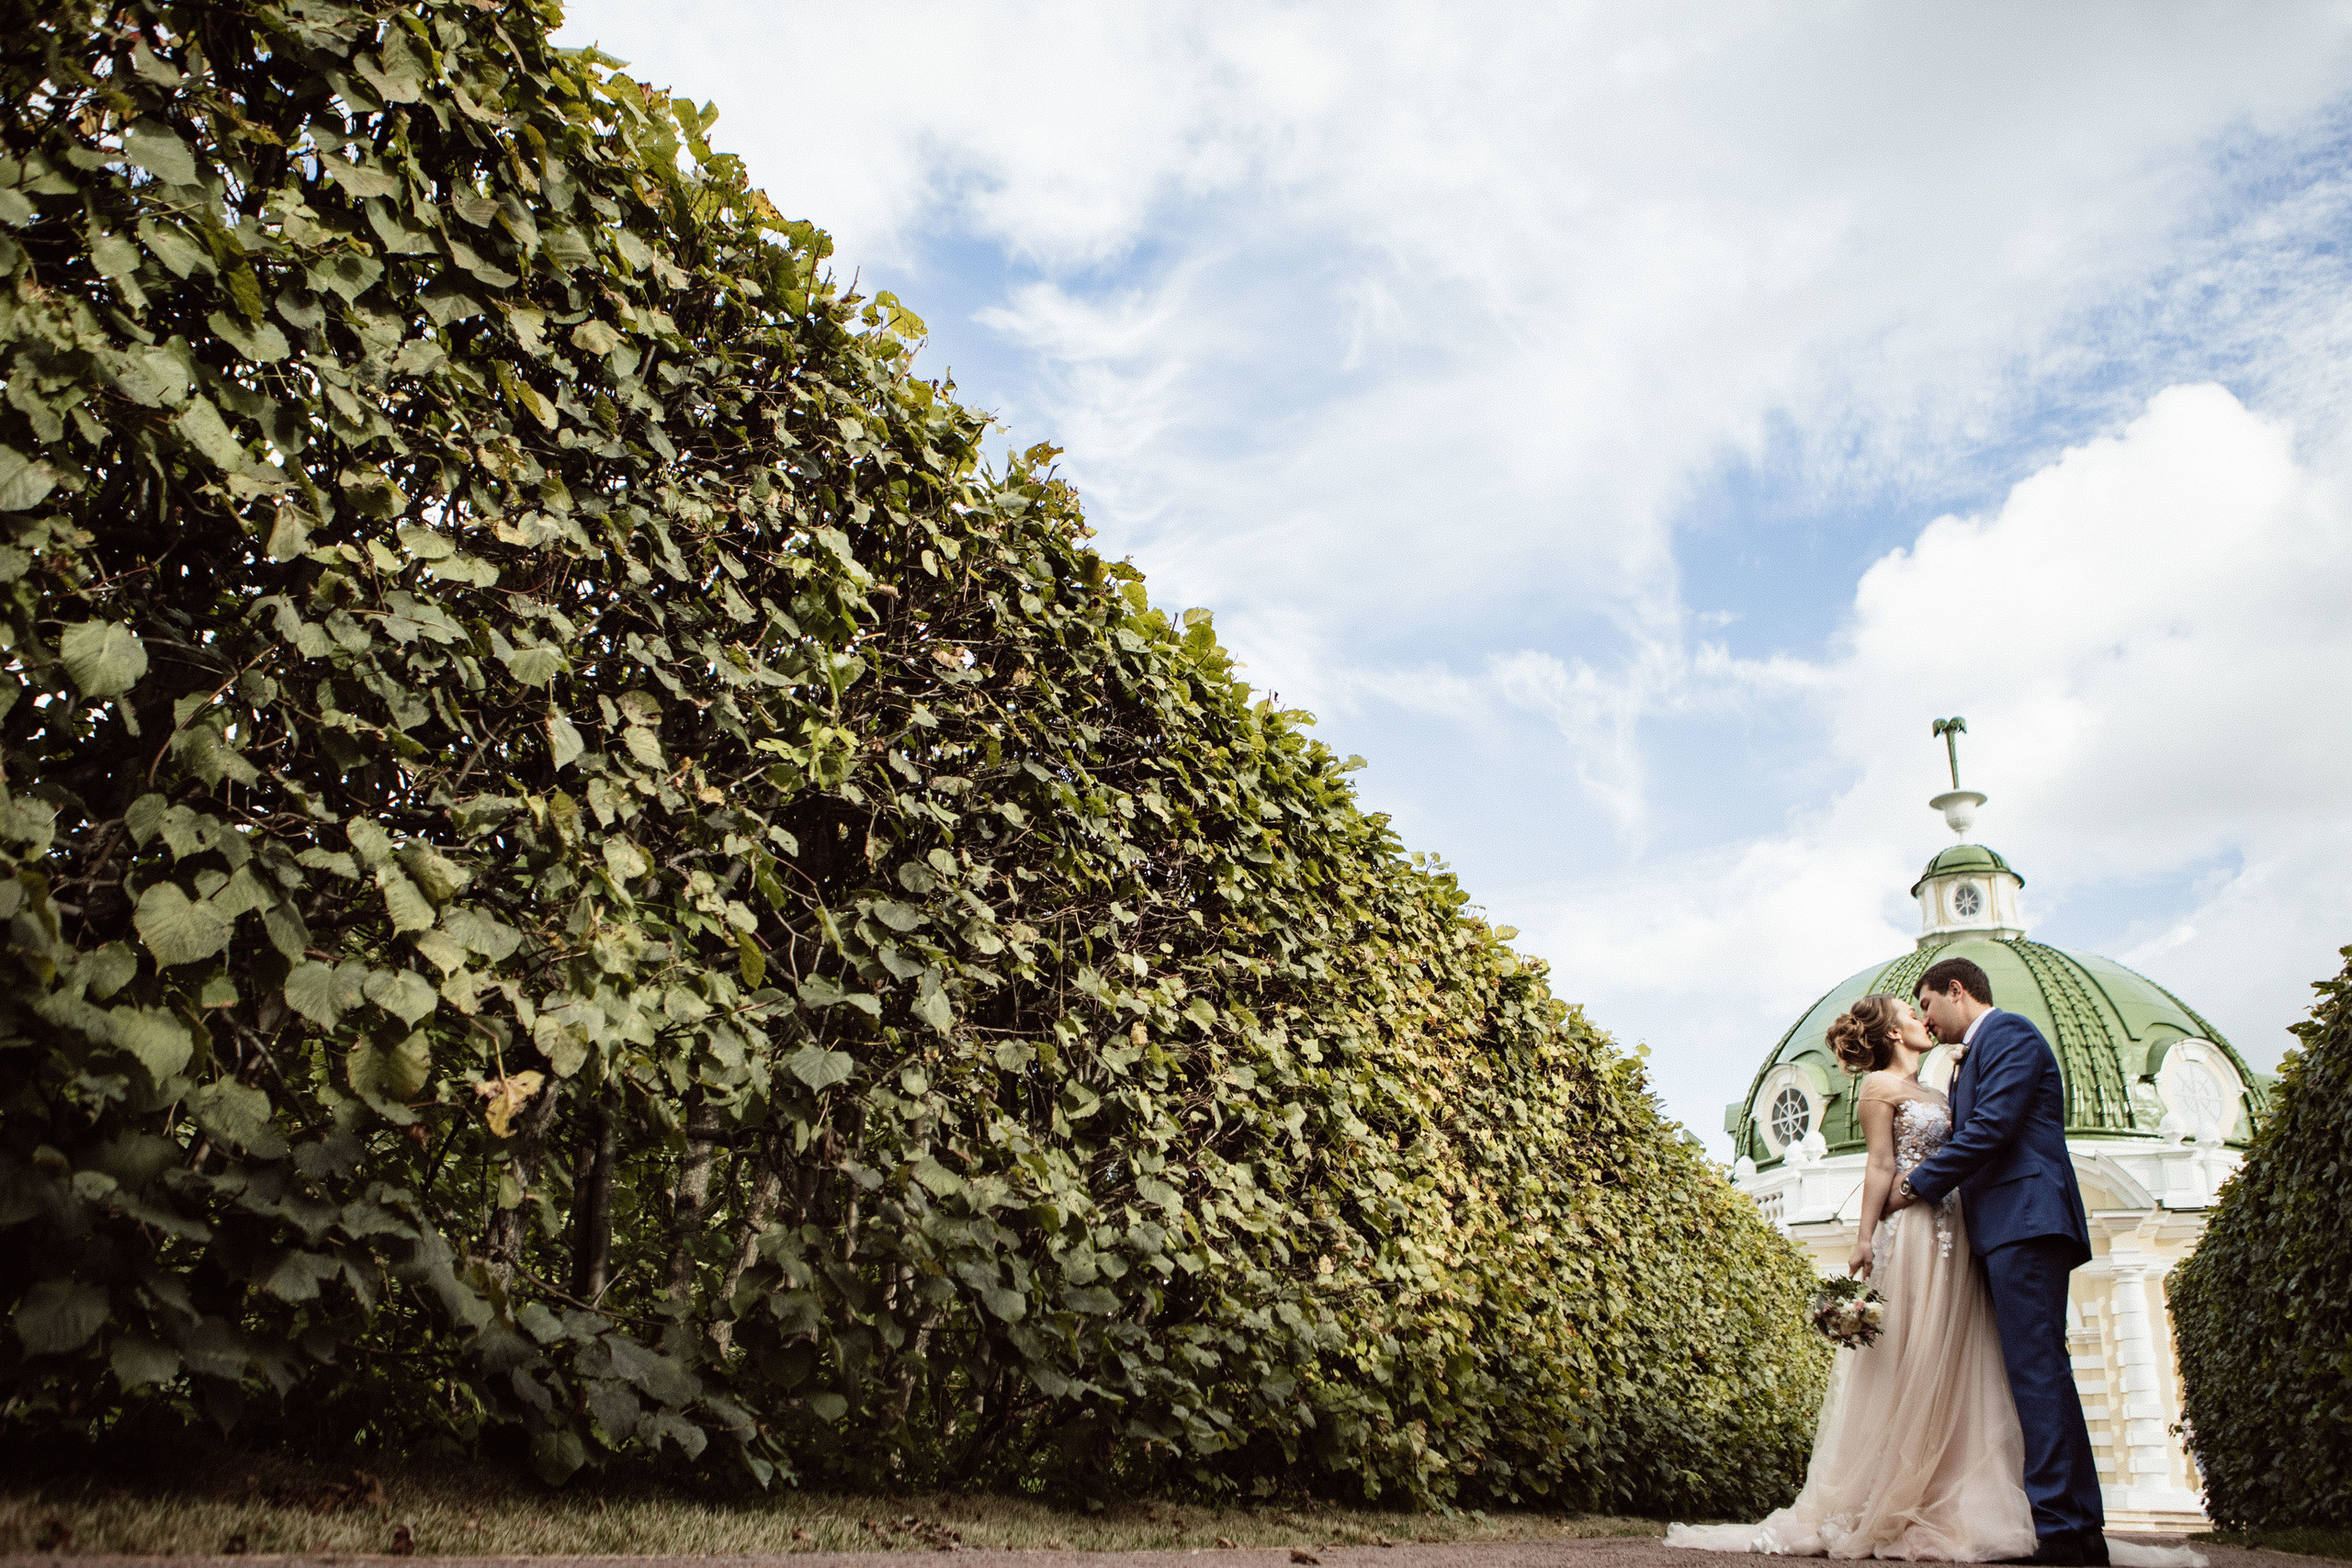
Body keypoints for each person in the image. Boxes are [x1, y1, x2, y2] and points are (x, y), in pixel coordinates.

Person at [1667, 965, 2201, 1566]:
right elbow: (1887, 1160)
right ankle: (2061, 1525)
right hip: (1975, 1230)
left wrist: (1914, 1184)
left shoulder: (2007, 1035)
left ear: (1956, 991)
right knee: (2010, 1370)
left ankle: (2066, 1526)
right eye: (1912, 1010)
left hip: (2018, 1220)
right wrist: (1870, 1229)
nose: (1924, 1017)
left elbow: (1991, 1128)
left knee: (2033, 1373)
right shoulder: (1935, 1071)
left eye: (1926, 1003)